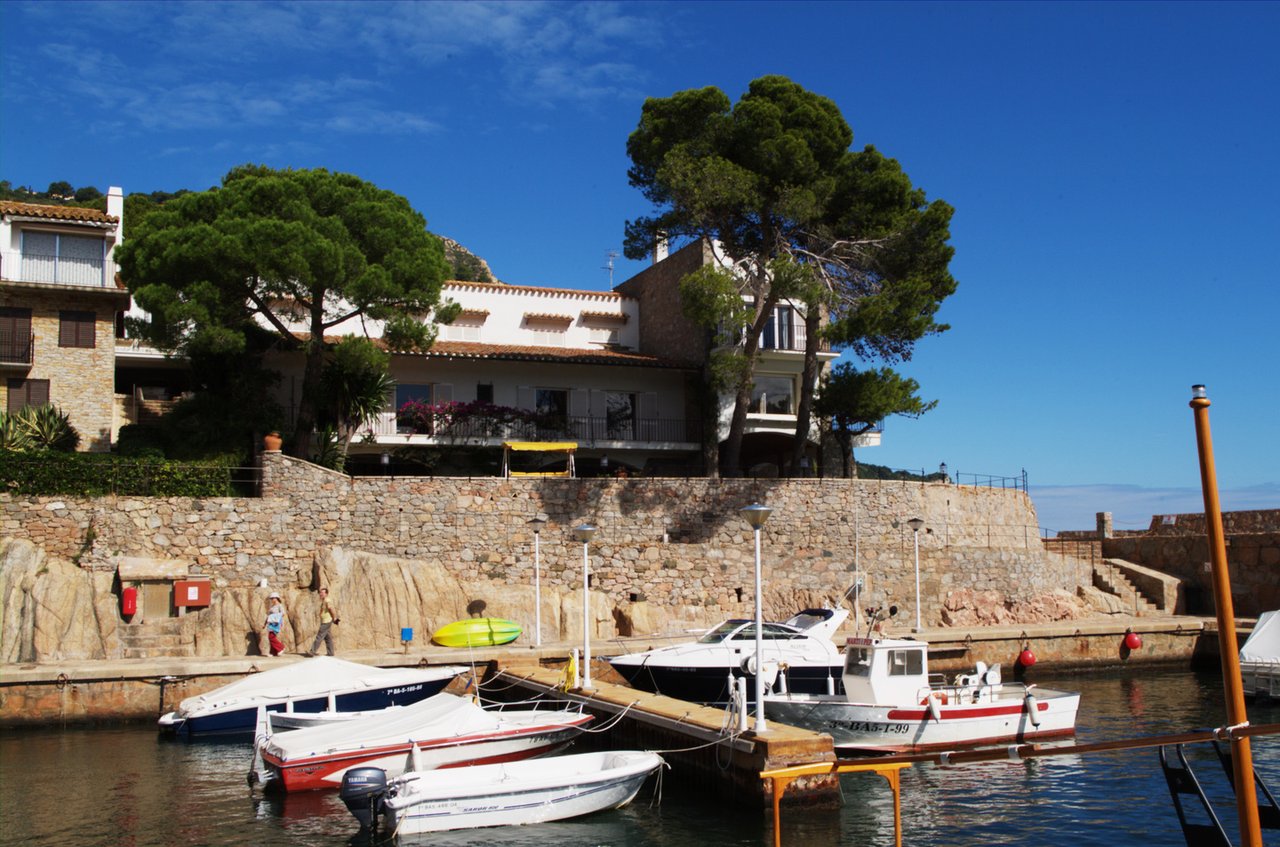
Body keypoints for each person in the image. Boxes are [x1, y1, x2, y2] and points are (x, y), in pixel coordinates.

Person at [306, 587, 338, 656]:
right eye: (320, 592)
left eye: (322, 593)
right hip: (325, 620)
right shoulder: (324, 601)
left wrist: (334, 617)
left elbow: (331, 608)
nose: (320, 594)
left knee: (319, 636)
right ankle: (331, 652)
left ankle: (312, 651)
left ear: (326, 594)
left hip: (326, 621)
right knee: (328, 637)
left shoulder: (327, 600)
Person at [264, 592, 285, 657]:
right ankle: (273, 652)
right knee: (271, 637)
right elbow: (269, 616)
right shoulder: (272, 607)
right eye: (271, 598)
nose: (272, 599)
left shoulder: (279, 605)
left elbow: (283, 614)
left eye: (273, 598)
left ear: (277, 598)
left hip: (276, 623)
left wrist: (275, 616)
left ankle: (281, 647)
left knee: (271, 637)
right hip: (271, 623)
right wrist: (264, 624)